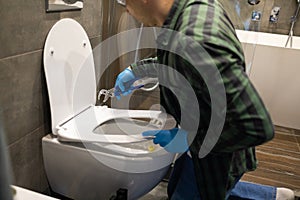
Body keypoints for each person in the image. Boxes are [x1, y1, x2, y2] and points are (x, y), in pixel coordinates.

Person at [113, 0, 295, 199]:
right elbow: (183, 60)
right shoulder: (189, 11)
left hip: (215, 154)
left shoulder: (197, 36)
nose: (127, 10)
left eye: (125, 1)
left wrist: (188, 140)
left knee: (198, 190)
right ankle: (273, 196)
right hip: (200, 134)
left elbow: (253, 126)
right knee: (178, 186)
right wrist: (137, 70)